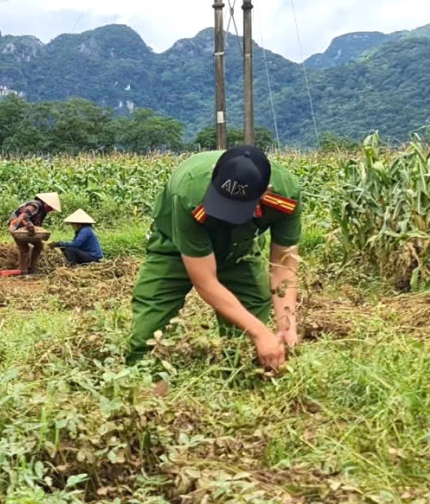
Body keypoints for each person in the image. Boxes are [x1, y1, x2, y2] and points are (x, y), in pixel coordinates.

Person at [128, 144, 302, 372]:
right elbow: (205, 281)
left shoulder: (285, 196)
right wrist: (261, 332)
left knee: (245, 340)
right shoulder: (190, 193)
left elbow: (284, 262)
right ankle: (148, 397)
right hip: (175, 245)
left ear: (265, 192)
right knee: (148, 332)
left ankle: (240, 392)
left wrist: (286, 323)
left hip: (240, 248)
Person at [0, 192, 61, 276]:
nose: (51, 210)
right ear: (46, 203)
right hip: (18, 227)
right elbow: (24, 216)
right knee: (24, 247)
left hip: (26, 229)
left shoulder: (42, 210)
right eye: (50, 208)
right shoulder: (35, 205)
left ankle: (30, 269)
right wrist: (31, 227)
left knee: (38, 246)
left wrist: (39, 231)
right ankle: (23, 271)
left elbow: (37, 222)